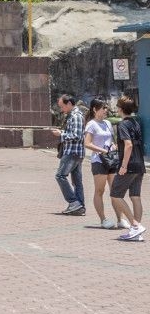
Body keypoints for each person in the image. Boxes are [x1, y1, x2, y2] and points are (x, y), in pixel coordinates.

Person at [111, 95, 145, 241]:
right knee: (135, 196)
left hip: (129, 165)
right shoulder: (135, 122)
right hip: (139, 165)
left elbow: (128, 145)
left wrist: (123, 165)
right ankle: (136, 232)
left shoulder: (123, 124)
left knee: (115, 195)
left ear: (120, 108)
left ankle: (135, 226)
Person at [85, 99, 119, 228]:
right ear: (95, 109)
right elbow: (87, 143)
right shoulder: (91, 124)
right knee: (100, 190)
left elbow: (111, 140)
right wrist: (102, 150)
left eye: (106, 108)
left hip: (111, 159)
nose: (106, 110)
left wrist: (113, 146)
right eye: (103, 108)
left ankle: (120, 219)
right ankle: (103, 219)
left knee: (115, 190)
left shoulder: (108, 123)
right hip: (98, 161)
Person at [52, 93, 85, 216]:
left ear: (69, 104)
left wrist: (61, 135)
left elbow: (76, 135)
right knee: (77, 181)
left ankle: (74, 202)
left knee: (60, 176)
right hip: (75, 152)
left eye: (62, 106)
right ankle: (79, 206)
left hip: (72, 152)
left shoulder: (75, 116)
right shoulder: (73, 115)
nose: (61, 109)